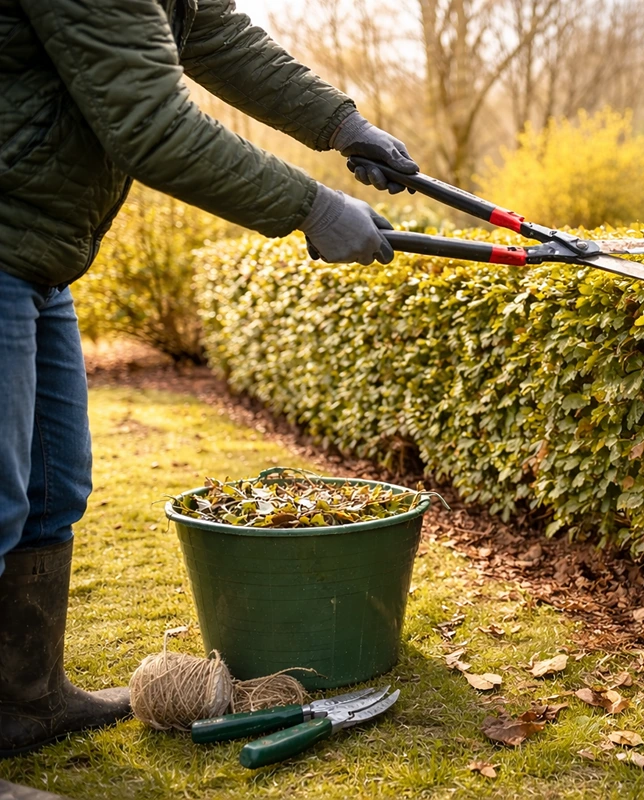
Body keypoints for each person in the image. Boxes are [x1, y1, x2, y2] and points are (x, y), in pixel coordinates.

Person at [0, 0, 414, 762]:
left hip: (38, 252)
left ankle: (24, 702)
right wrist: (311, 206)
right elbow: (150, 125)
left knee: (52, 490)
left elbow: (216, 36)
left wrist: (339, 124)